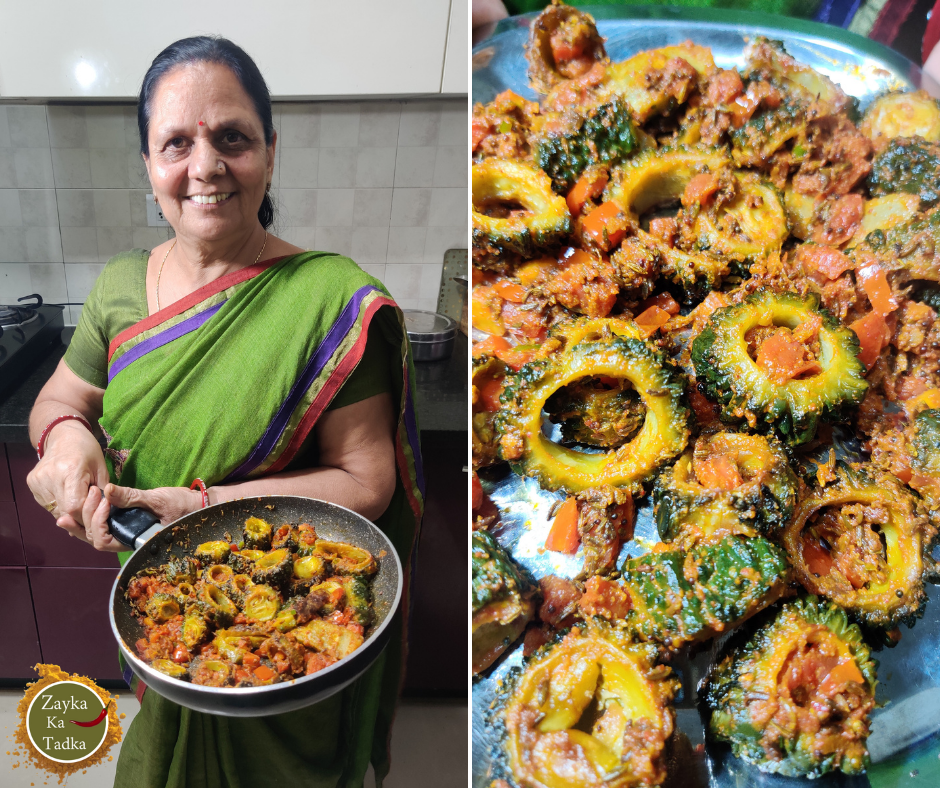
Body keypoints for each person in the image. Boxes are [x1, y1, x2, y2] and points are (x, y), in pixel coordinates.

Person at [25, 36, 423, 788]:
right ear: (148, 165)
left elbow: (367, 480)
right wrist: (67, 439)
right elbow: (60, 398)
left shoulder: (332, 301)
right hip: (166, 618)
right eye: (175, 142)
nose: (204, 166)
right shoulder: (117, 287)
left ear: (270, 150)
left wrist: (196, 505)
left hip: (289, 647)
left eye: (231, 138)